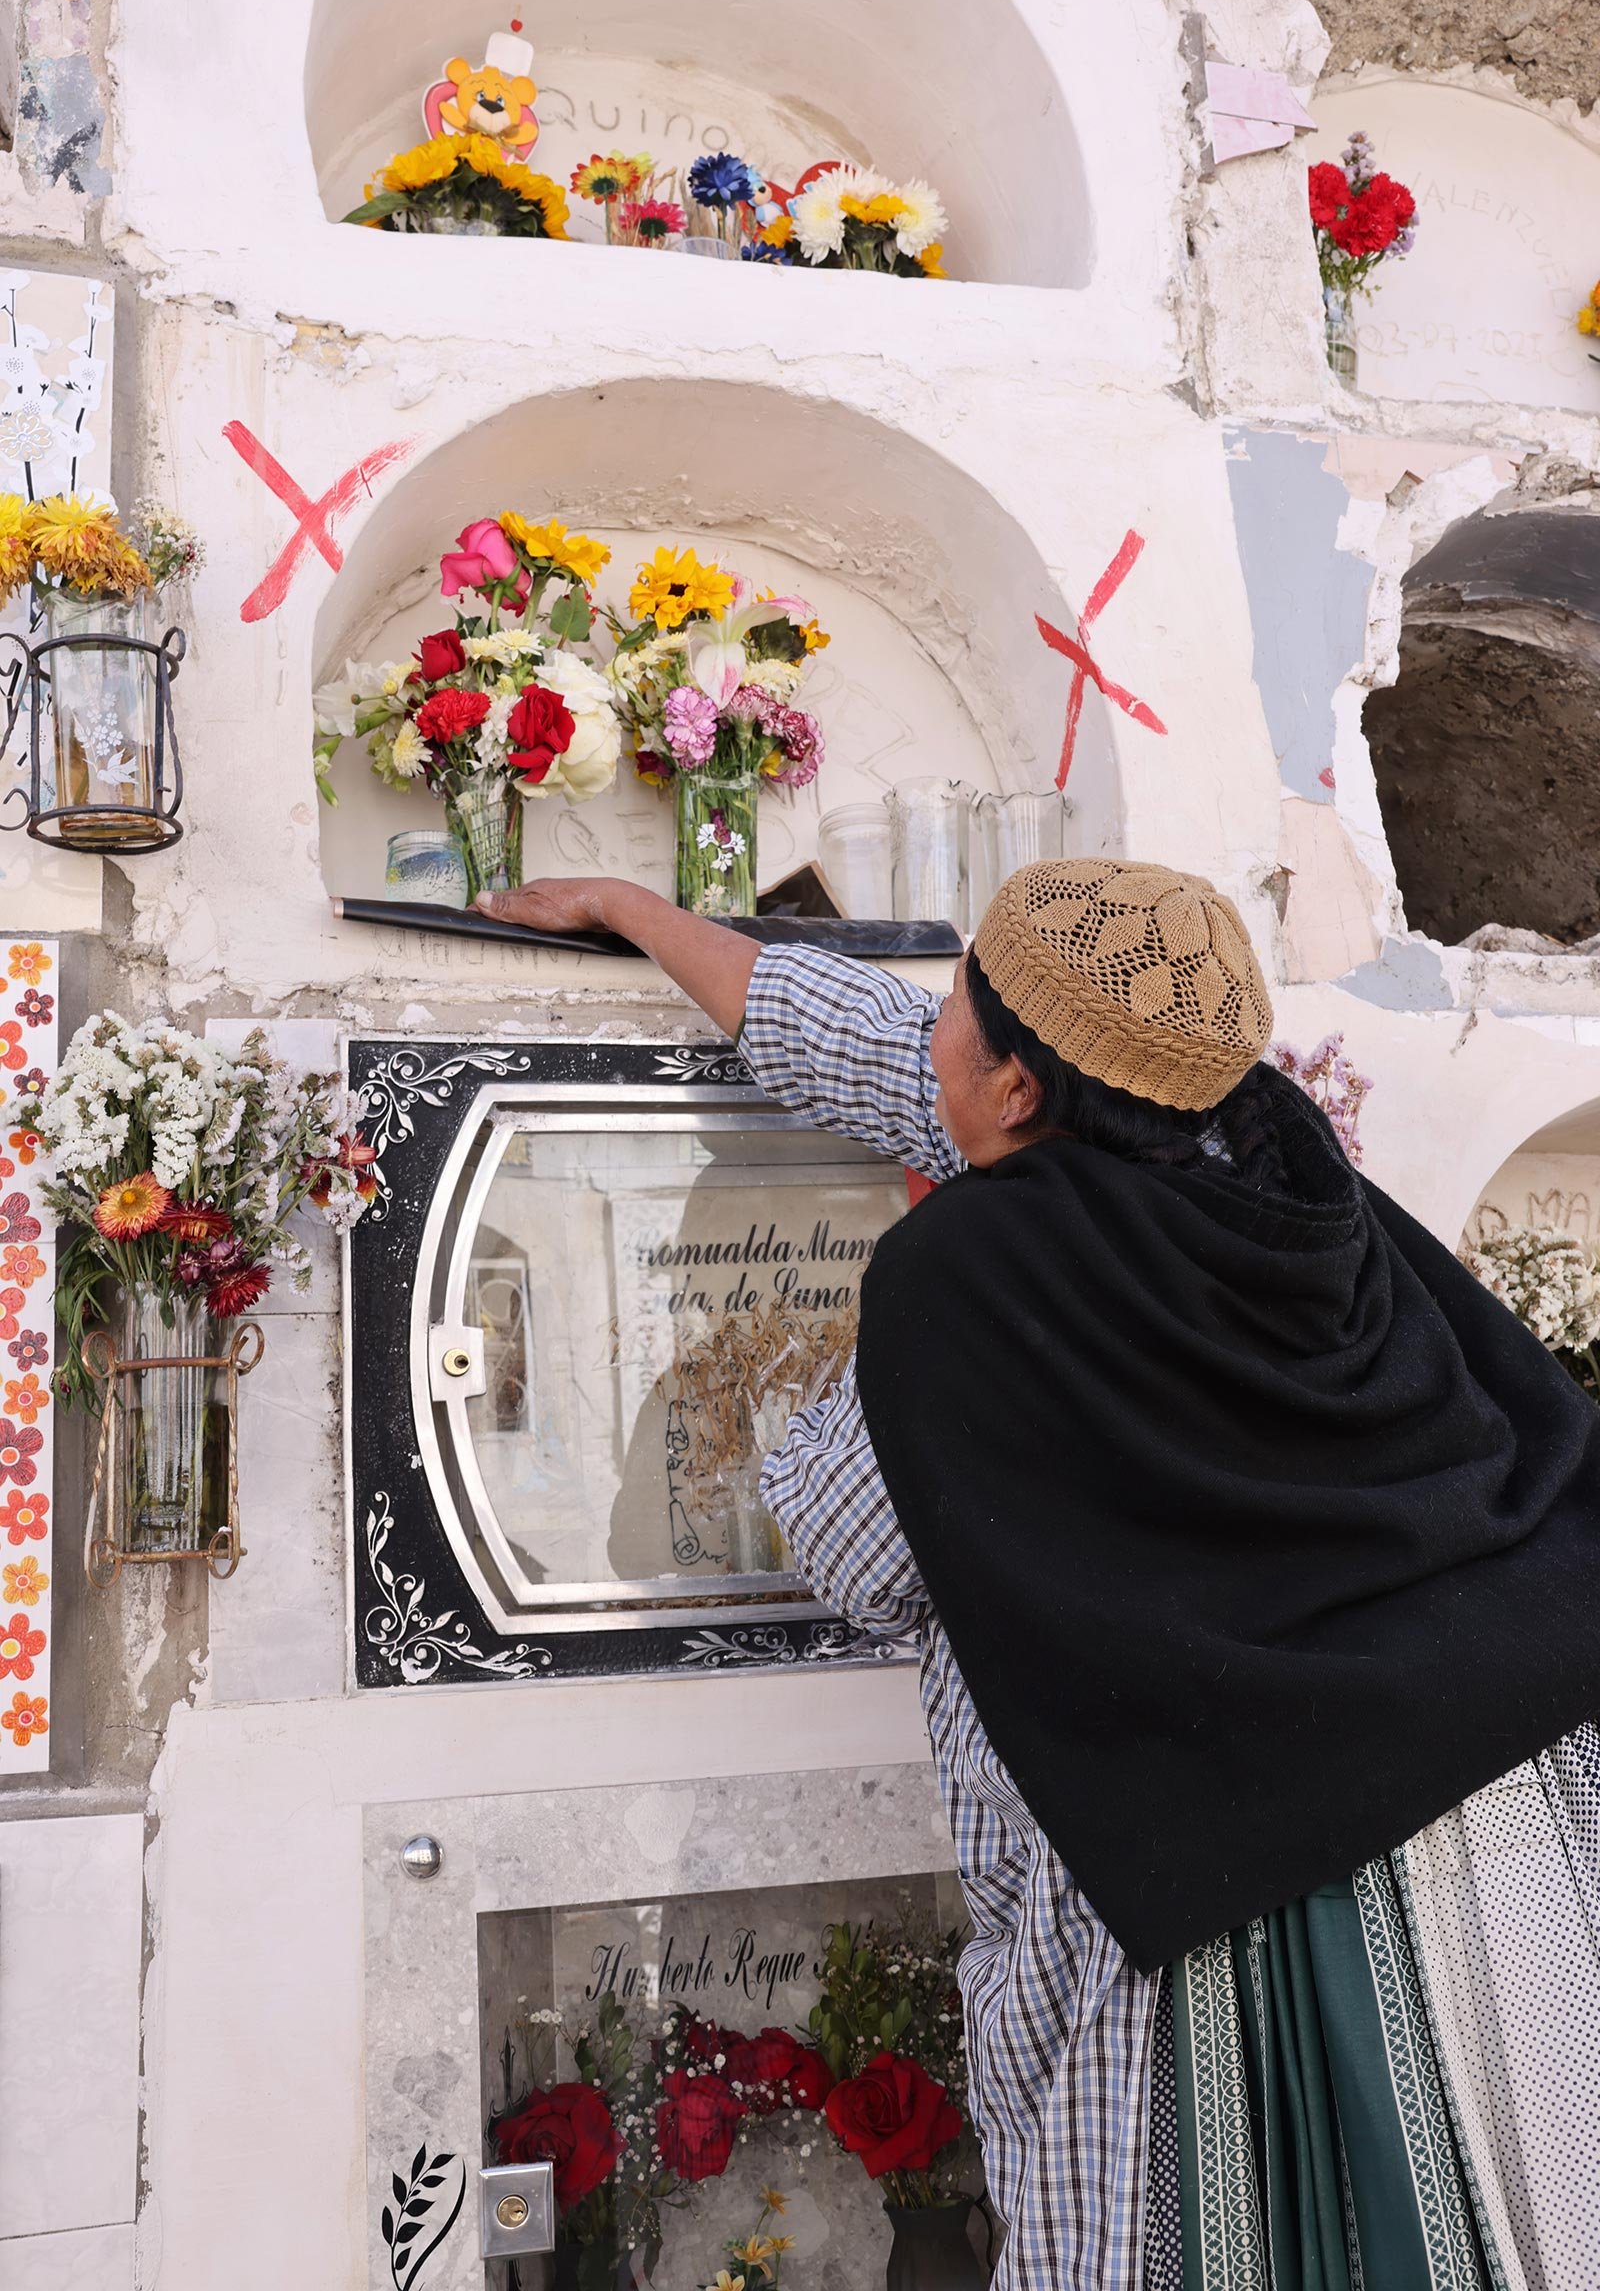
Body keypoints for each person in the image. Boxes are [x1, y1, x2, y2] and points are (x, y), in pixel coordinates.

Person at [479, 859, 1600, 2291]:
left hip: (1213, 1892)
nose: (925, 1036)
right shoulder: (1267, 1155)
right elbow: (888, 1052)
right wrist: (645, 917)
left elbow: (860, 1554)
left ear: (1017, 1091)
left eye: (951, 1012)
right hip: (1478, 1833)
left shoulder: (982, 1277)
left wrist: (781, 1367)